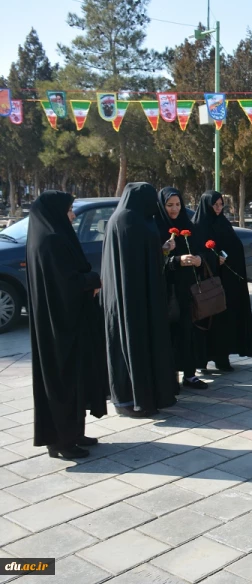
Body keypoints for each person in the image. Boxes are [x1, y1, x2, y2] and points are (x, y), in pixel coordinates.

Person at [27, 191, 107, 459]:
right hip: (59, 327)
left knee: (76, 379)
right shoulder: (50, 240)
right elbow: (66, 283)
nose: (72, 215)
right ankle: (61, 442)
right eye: (69, 210)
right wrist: (92, 280)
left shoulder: (50, 236)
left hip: (66, 322)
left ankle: (74, 433)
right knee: (63, 382)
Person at [103, 182, 179, 417]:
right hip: (131, 298)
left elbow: (142, 255)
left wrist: (161, 249)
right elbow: (132, 262)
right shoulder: (128, 220)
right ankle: (131, 399)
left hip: (138, 295)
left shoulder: (133, 218)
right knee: (132, 345)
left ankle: (148, 395)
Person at [155, 187, 217, 390]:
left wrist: (199, 259)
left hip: (187, 289)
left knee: (188, 331)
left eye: (178, 204)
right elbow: (152, 262)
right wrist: (174, 259)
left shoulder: (188, 226)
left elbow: (204, 252)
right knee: (169, 333)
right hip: (166, 290)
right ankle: (170, 376)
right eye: (169, 205)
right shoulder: (156, 228)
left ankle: (190, 374)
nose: (174, 209)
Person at [193, 190, 252, 370]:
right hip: (206, 282)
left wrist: (226, 257)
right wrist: (212, 259)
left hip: (225, 282)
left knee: (224, 320)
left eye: (221, 205)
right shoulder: (197, 226)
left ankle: (222, 358)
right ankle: (202, 360)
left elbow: (234, 246)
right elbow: (196, 251)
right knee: (206, 320)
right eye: (215, 205)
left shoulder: (223, 223)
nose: (218, 208)